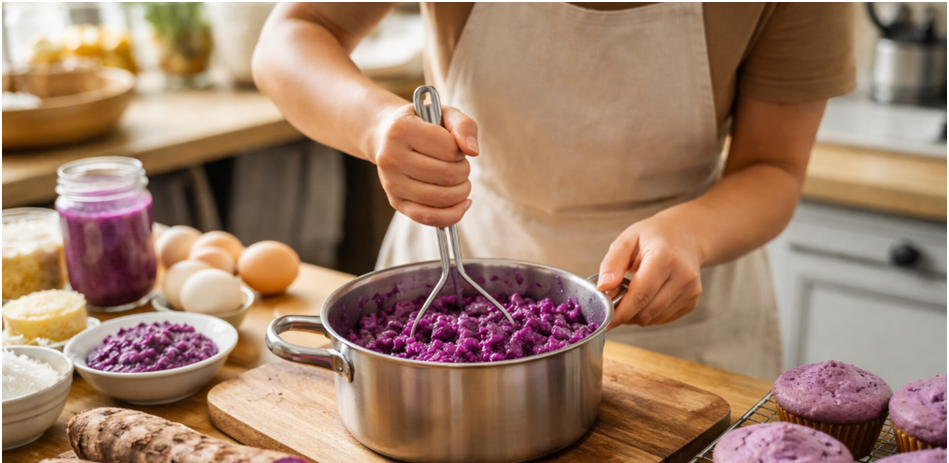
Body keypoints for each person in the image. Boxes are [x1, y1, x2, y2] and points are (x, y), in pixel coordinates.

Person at [253, 2, 855, 379]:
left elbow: (772, 168)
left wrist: (691, 234)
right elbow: (295, 35)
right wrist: (373, 121)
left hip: (679, 300)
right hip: (464, 250)